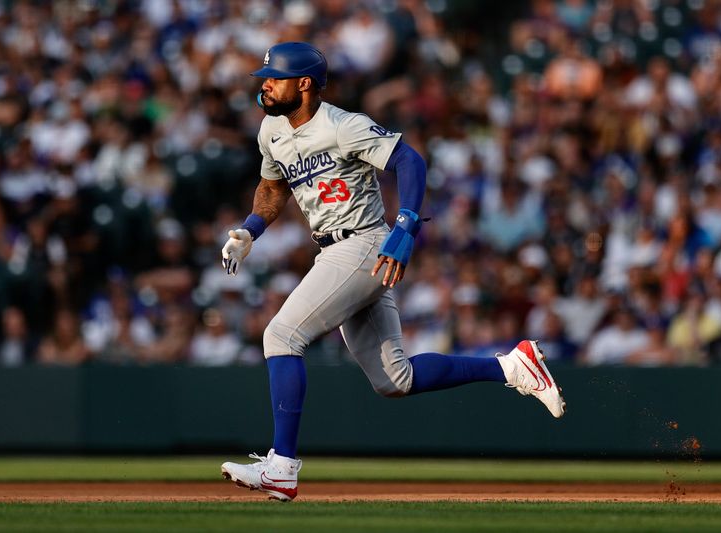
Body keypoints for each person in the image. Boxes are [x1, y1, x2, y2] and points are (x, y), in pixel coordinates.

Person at [218, 42, 566, 502]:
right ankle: (511, 366)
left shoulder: (343, 125)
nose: (264, 84)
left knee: (281, 337)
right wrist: (250, 229)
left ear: (303, 83)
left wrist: (405, 226)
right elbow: (272, 186)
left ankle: (282, 466)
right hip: (338, 250)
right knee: (393, 381)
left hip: (362, 244)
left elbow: (410, 160)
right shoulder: (271, 130)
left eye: (274, 77)